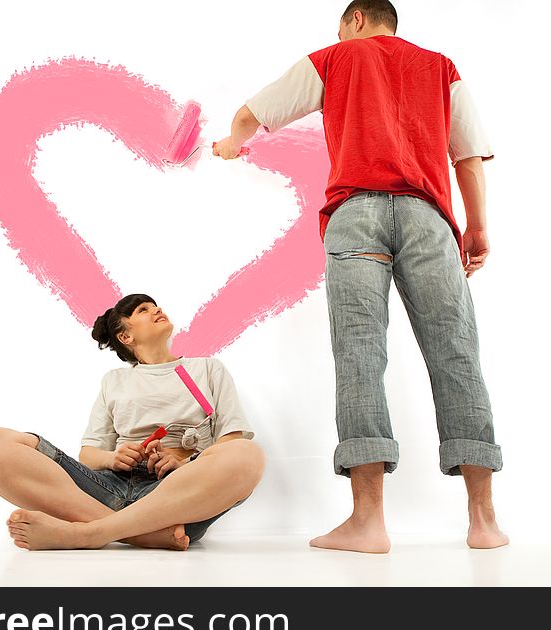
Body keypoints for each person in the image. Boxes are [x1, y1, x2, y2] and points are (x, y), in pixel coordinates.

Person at [213, 0, 507, 553]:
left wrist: (233, 142)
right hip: (429, 219)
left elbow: (254, 113)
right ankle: (483, 521)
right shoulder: (442, 67)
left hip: (356, 216)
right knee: (457, 354)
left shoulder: (336, 57)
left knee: (359, 356)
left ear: (353, 20)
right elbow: (468, 155)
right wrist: (476, 228)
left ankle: (368, 523)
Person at [0, 293, 264, 550]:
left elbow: (230, 439)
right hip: (107, 489)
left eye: (155, 306)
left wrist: (184, 463)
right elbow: (89, 455)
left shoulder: (208, 369)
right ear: (126, 337)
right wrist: (113, 457)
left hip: (176, 498)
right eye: (143, 310)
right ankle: (142, 536)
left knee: (247, 454)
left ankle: (89, 533)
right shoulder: (114, 381)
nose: (156, 310)